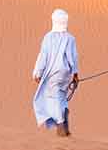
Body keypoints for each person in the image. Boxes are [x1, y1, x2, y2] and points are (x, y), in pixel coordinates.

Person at [32, 8, 80, 137]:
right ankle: (65, 121)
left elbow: (43, 56)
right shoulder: (70, 38)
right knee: (61, 96)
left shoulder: (48, 37)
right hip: (65, 73)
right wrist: (75, 73)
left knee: (53, 98)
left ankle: (60, 124)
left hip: (52, 72)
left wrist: (37, 72)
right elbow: (73, 57)